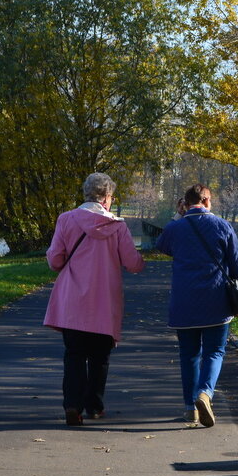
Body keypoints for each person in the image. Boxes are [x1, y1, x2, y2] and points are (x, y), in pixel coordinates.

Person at [44, 172, 145, 426]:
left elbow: (55, 260)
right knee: (100, 358)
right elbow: (133, 264)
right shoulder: (117, 226)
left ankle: (72, 406)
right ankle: (94, 406)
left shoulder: (66, 220)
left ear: (87, 194)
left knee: (74, 355)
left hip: (72, 302)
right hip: (104, 302)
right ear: (107, 197)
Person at [156, 184, 238, 427]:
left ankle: (190, 409)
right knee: (214, 352)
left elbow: (162, 246)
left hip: (184, 303)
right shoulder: (223, 226)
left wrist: (178, 215)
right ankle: (205, 393)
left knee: (188, 355)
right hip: (216, 302)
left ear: (185, 203)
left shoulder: (175, 228)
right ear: (207, 201)